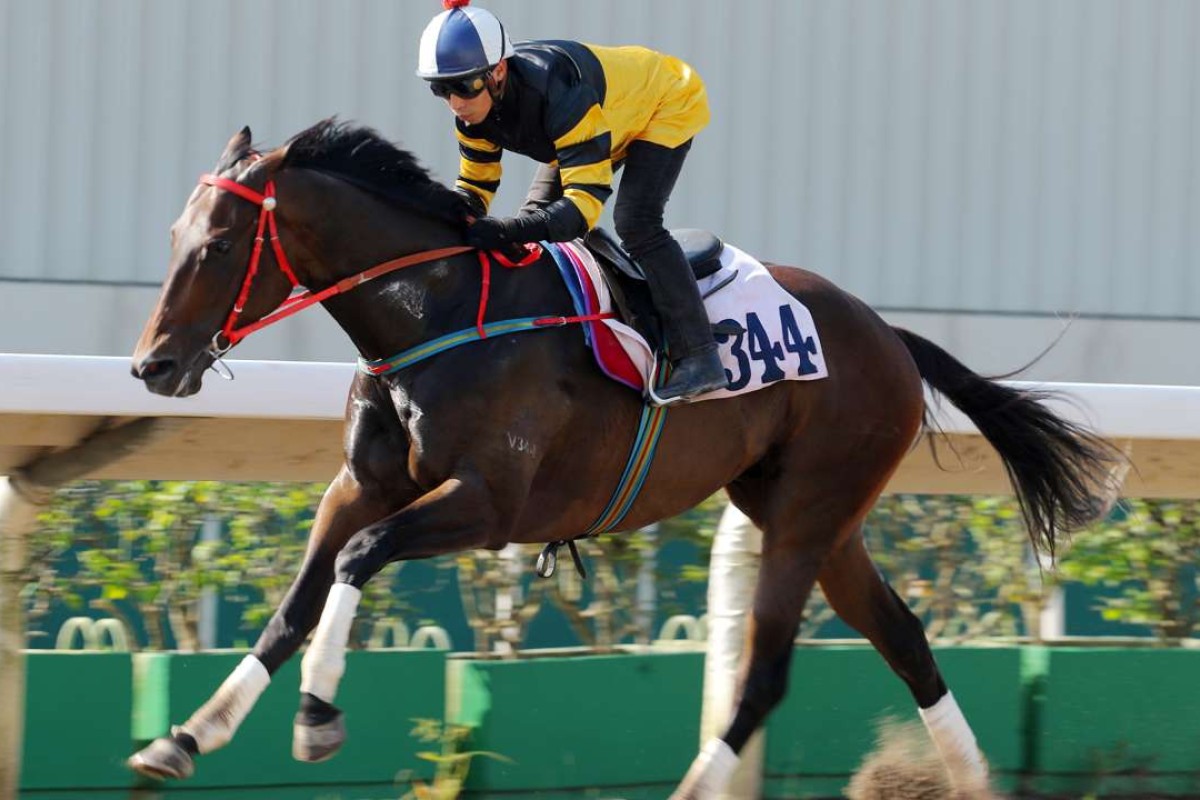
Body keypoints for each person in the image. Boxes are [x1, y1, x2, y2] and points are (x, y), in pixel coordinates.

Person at [417, 0, 728, 403]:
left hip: (664, 102)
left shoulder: (558, 91)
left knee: (636, 222)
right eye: (441, 88)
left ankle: (700, 355)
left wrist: (505, 230)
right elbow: (475, 188)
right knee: (533, 220)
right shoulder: (471, 114)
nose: (455, 102)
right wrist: (442, 222)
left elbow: (581, 211)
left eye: (464, 86)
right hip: (597, 120)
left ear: (498, 71)